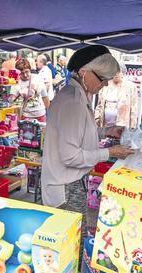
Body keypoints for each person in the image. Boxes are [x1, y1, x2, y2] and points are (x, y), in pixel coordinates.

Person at [42, 45, 134, 247]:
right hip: (65, 187)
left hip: (69, 183)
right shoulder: (72, 101)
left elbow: (79, 132)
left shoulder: (78, 96)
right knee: (69, 247)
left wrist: (106, 131)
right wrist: (110, 152)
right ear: (84, 72)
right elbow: (71, 156)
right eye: (102, 79)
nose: (105, 84)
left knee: (71, 244)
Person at [94, 63, 140, 129]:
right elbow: (99, 105)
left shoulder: (130, 87)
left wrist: (132, 127)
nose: (115, 74)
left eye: (118, 71)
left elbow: (134, 109)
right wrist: (97, 120)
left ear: (122, 72)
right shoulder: (105, 85)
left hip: (122, 125)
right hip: (105, 125)